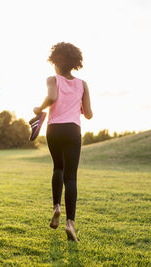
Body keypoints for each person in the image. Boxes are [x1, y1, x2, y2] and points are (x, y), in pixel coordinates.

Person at [33, 42, 92, 242]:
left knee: (58, 168)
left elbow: (51, 97)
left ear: (56, 61)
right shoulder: (82, 84)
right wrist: (79, 108)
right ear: (75, 63)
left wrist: (38, 108)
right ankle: (70, 224)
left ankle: (56, 207)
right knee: (71, 177)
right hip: (73, 129)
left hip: (54, 129)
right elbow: (89, 115)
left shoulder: (52, 79)